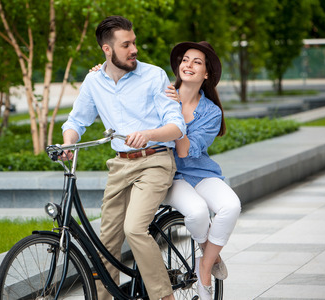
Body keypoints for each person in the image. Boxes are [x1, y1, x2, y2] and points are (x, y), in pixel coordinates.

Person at [61, 16, 186, 300]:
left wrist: (149, 133)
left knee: (134, 228)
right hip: (119, 165)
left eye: (134, 42)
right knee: (107, 241)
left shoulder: (154, 76)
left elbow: (177, 126)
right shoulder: (94, 81)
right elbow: (76, 121)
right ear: (107, 49)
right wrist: (68, 143)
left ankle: (163, 297)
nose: (134, 49)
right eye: (126, 44)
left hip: (155, 160)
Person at [163, 41, 242, 300]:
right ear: (178, 65)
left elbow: (185, 150)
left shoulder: (211, 112)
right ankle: (211, 250)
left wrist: (175, 113)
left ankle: (205, 268)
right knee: (197, 212)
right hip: (169, 174)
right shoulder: (161, 95)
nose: (189, 65)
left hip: (200, 172)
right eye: (185, 59)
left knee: (231, 206)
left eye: (197, 62)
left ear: (206, 74)